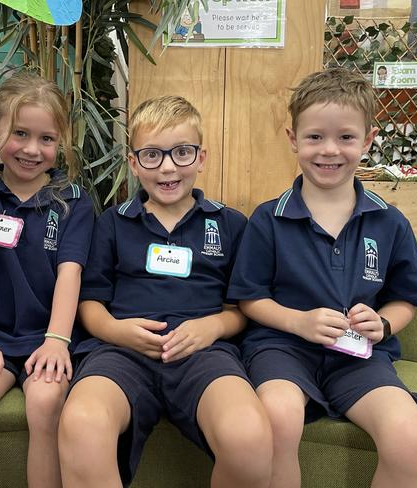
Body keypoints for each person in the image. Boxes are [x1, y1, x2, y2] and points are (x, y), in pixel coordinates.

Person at [228, 67, 417, 488]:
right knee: (276, 419)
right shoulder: (269, 219)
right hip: (281, 349)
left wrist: (385, 323)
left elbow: (405, 299)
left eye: (345, 137)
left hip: (358, 356)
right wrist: (298, 322)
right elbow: (249, 299)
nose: (330, 150)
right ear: (292, 139)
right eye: (315, 136)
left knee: (411, 436)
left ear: (368, 140)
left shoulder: (389, 221)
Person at [59, 95, 273, 488]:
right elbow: (90, 302)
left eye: (182, 152)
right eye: (153, 155)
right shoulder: (112, 223)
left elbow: (242, 306)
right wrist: (115, 331)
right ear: (133, 161)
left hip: (203, 354)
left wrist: (212, 327)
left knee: (249, 436)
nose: (169, 166)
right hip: (120, 353)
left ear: (201, 157)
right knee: (81, 423)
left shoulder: (229, 224)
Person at [0, 71, 94, 488]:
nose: (32, 149)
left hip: (50, 336)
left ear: (61, 141)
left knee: (45, 403)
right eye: (20, 133)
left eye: (46, 139)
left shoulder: (74, 202)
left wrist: (57, 340)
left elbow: (71, 273)